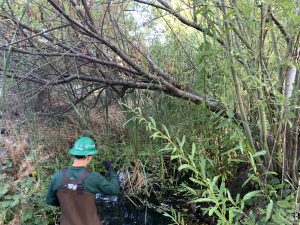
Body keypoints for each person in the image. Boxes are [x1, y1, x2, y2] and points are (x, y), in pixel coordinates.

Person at [46, 136, 120, 225]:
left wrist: (69, 204)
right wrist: (111, 170)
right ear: (88, 157)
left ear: (74, 154)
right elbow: (114, 189)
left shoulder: (58, 176)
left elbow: (50, 200)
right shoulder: (93, 177)